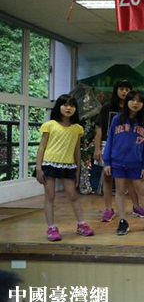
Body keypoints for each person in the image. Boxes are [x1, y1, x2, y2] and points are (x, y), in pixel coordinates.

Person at [36, 94, 94, 241]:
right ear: (58, 107)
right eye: (65, 105)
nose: (68, 108)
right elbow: (42, 147)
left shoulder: (77, 128)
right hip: (49, 163)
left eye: (72, 105)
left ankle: (81, 224)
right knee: (50, 196)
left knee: (73, 195)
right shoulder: (50, 125)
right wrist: (38, 167)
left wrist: (78, 170)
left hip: (68, 165)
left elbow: (77, 150)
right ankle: (51, 227)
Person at [103, 90, 144, 235]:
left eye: (139, 101)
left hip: (136, 163)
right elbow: (110, 140)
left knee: (141, 190)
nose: (135, 103)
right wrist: (107, 161)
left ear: (143, 104)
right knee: (120, 190)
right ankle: (122, 221)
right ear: (127, 101)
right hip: (117, 162)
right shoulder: (117, 120)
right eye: (132, 100)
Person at [93, 79, 144, 222]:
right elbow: (99, 128)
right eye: (121, 89)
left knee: (130, 178)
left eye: (127, 89)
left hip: (127, 147)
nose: (124, 92)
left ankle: (136, 206)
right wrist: (97, 148)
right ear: (116, 90)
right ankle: (108, 209)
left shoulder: (132, 108)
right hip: (107, 144)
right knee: (107, 177)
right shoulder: (107, 107)